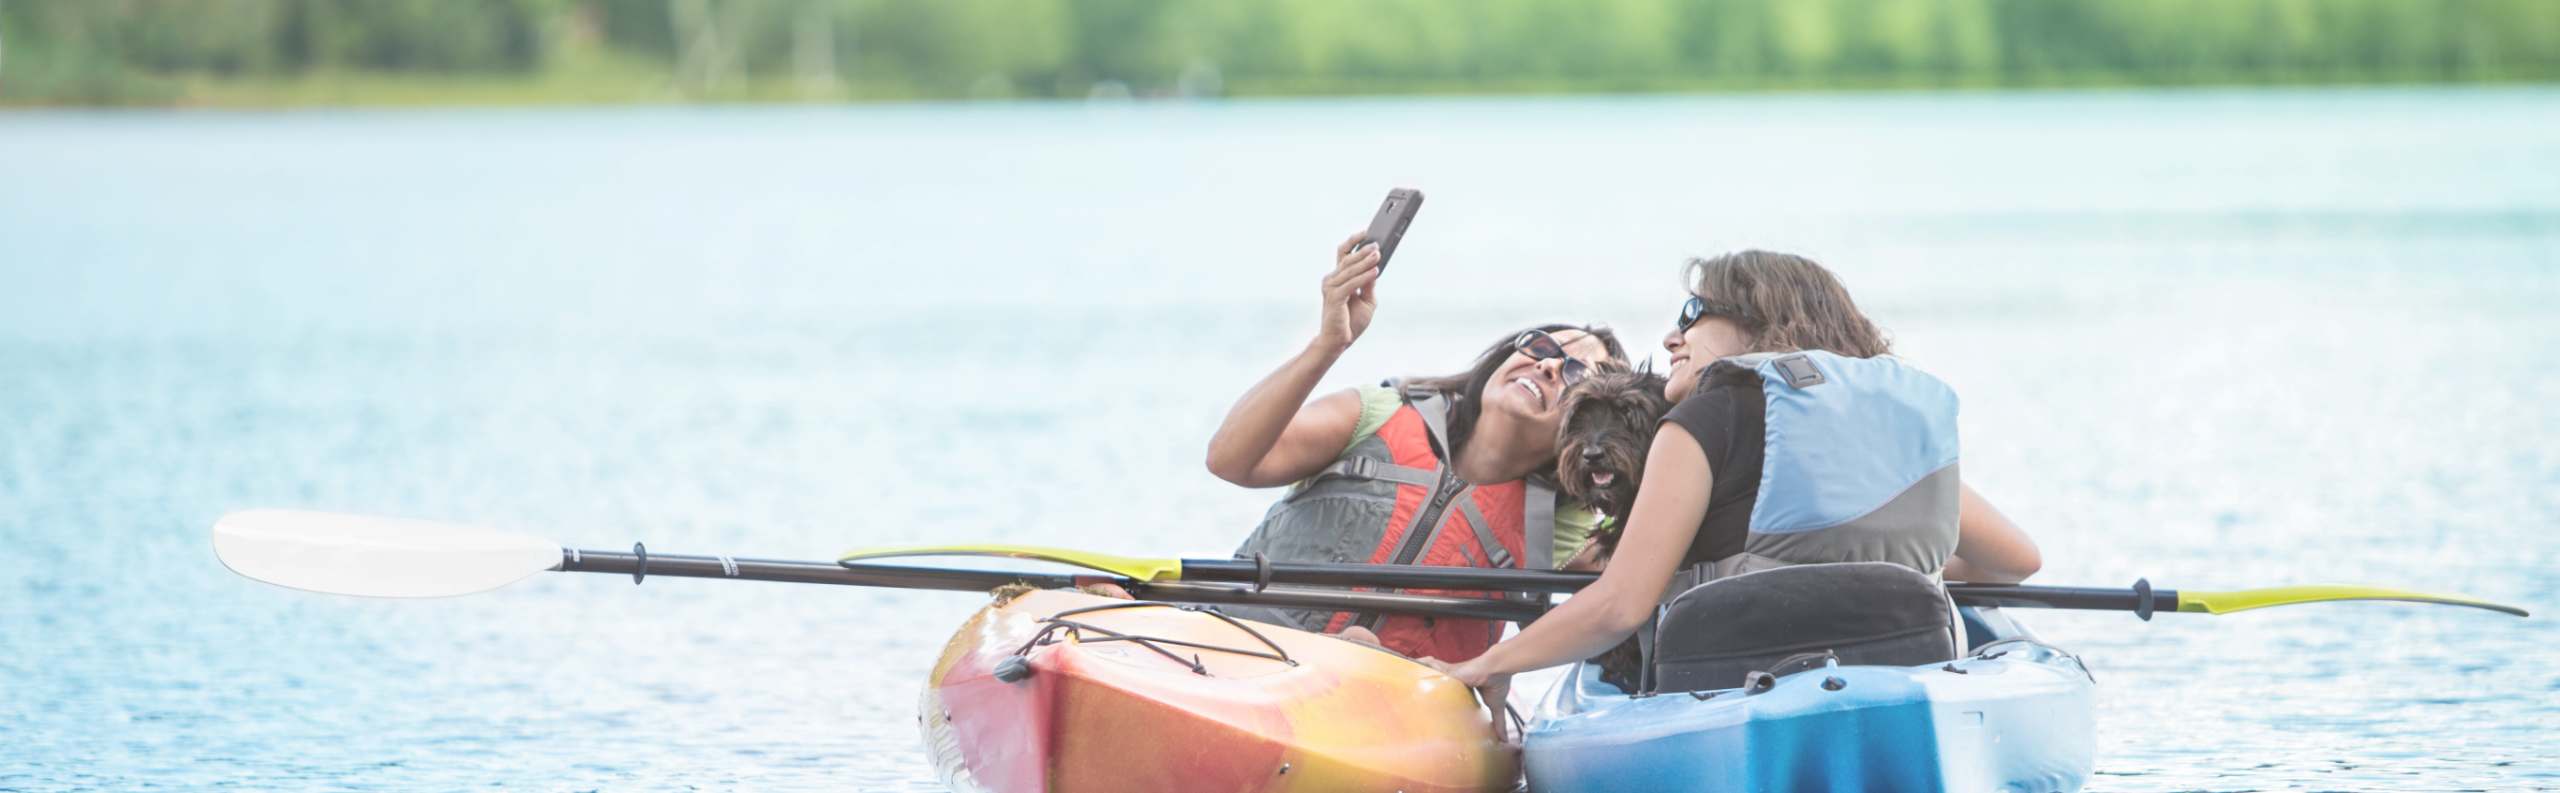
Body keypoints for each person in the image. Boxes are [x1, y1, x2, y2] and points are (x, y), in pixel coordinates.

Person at [1423, 250, 2043, 708]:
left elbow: (1620, 606)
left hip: (1733, 685)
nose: (1672, 337)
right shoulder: (1890, 431)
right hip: (1906, 676)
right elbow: (2016, 561)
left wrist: (1489, 663)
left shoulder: (1701, 419)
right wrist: (1899, 578)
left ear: (1759, 324)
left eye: (1692, 315)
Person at [1205, 230, 1627, 663]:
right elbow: (1229, 461)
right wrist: (1327, 345)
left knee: (1360, 647)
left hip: (1381, 702)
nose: (1549, 364)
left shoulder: (1565, 521)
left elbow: (1634, 586)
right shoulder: (1380, 412)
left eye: (1577, 374)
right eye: (1541, 346)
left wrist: (1497, 666)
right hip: (1235, 652)